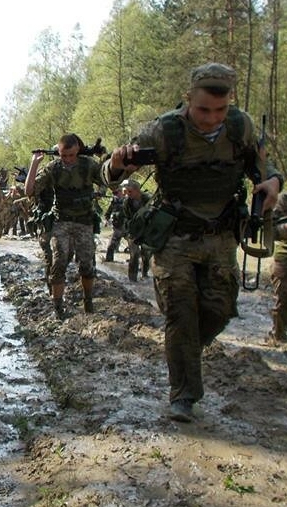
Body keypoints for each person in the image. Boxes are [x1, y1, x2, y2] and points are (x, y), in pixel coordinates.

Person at [103, 62, 282, 422]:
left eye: (220, 110)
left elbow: (266, 167)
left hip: (221, 236)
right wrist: (119, 164)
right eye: (203, 110)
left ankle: (184, 351)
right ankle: (183, 395)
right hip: (175, 238)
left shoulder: (241, 126)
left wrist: (273, 183)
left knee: (219, 309)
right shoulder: (164, 130)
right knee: (181, 311)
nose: (211, 119)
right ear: (188, 99)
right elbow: (109, 174)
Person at [26, 133, 104, 317]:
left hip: (84, 221)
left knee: (86, 265)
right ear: (58, 153)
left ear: (78, 150)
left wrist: (99, 191)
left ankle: (88, 300)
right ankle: (58, 308)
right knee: (59, 263)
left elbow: (106, 181)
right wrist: (34, 164)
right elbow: (29, 190)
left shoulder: (88, 165)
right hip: (62, 220)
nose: (68, 159)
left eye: (71, 155)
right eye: (63, 156)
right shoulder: (53, 168)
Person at [121, 179, 153, 281]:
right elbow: (126, 218)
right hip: (133, 231)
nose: (128, 194)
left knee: (146, 254)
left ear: (137, 190)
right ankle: (132, 278)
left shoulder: (148, 199)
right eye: (127, 191)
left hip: (146, 230)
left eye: (130, 191)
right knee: (134, 254)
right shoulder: (127, 202)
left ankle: (145, 274)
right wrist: (127, 233)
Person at [268, 191, 287, 348]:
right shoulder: (284, 199)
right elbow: (271, 230)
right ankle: (278, 336)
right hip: (284, 258)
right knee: (282, 299)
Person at [103, 188, 126, 262]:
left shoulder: (128, 200)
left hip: (127, 225)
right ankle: (109, 260)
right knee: (112, 244)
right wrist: (107, 220)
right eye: (115, 193)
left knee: (134, 246)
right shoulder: (115, 201)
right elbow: (108, 212)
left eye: (118, 192)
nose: (116, 194)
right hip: (118, 225)